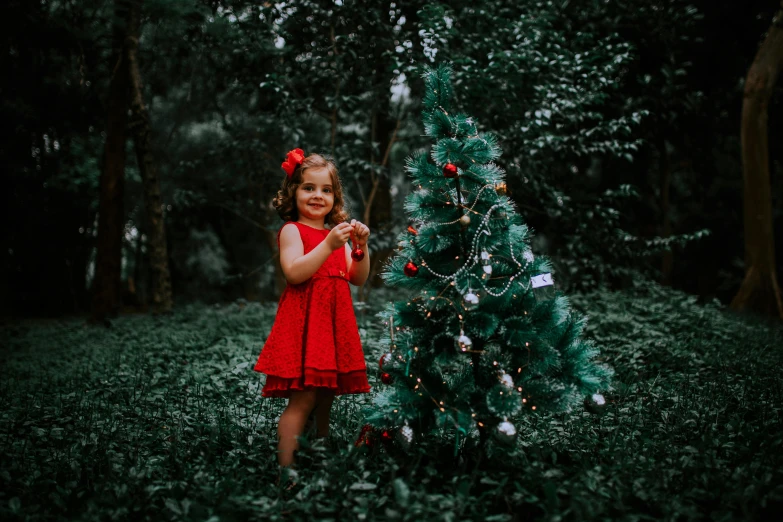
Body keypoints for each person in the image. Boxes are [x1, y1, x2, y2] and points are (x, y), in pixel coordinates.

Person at [253, 148, 372, 480]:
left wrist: (361, 247)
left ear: (335, 196)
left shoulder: (338, 235)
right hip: (305, 327)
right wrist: (329, 245)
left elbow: (357, 277)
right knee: (302, 401)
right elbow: (294, 272)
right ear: (293, 192)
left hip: (332, 327)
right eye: (309, 187)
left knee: (325, 400)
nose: (318, 195)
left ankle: (317, 458)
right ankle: (287, 471)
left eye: (326, 189)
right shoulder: (293, 231)